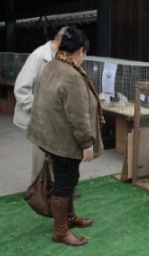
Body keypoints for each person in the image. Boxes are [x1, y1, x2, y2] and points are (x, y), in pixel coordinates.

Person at [26, 26, 105, 246]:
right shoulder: (71, 75)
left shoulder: (53, 65)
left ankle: (69, 218)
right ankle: (60, 230)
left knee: (70, 179)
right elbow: (78, 117)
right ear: (80, 51)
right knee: (64, 183)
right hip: (63, 141)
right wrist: (87, 144)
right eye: (85, 53)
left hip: (51, 136)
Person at [13, 26, 81, 199]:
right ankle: (38, 193)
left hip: (56, 117)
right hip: (38, 117)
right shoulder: (38, 56)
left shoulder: (62, 56)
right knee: (40, 156)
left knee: (57, 155)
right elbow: (21, 88)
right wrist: (37, 109)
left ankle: (61, 192)